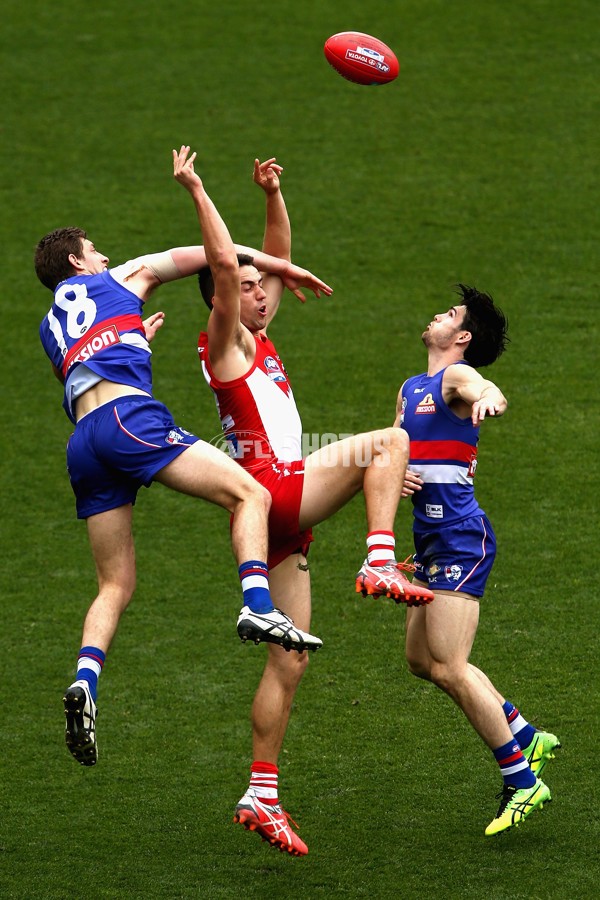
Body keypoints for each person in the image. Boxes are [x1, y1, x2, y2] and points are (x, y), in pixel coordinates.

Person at [36, 145, 332, 769]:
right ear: (76, 260)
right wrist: (198, 190)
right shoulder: (124, 278)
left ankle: (85, 681)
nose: (106, 255)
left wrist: (134, 338)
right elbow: (222, 261)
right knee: (247, 493)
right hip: (128, 421)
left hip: (84, 443)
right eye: (94, 249)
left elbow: (91, 361)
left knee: (114, 584)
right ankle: (257, 607)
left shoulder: (49, 324)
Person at [196, 157, 435, 856]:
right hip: (278, 487)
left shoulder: (261, 340)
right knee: (389, 443)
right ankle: (382, 558)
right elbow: (221, 269)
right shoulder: (225, 342)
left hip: (276, 518)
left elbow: (278, 262)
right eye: (246, 288)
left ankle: (261, 793)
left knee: (287, 660)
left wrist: (273, 194)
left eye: (262, 287)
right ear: (224, 299)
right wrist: (200, 191)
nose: (262, 293)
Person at [393, 285, 560, 836]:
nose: (438, 312)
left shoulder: (454, 379)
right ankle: (526, 734)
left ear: (461, 337)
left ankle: (521, 778)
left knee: (450, 662)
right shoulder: (410, 388)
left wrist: (492, 397)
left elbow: (484, 387)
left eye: (451, 313)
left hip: (464, 538)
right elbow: (394, 450)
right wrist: (394, 476)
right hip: (430, 540)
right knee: (422, 660)